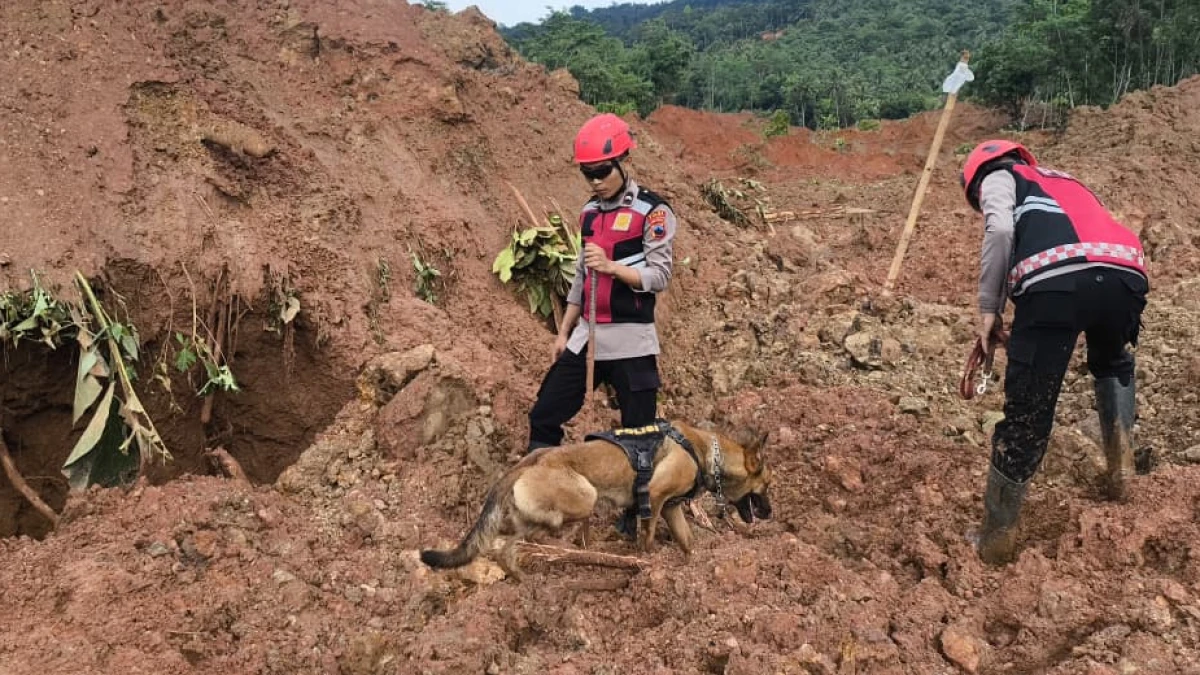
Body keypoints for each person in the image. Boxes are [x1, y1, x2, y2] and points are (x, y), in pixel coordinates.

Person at [960, 140, 1149, 565]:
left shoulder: (998, 176)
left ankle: (995, 540)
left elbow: (1000, 231)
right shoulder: (1065, 180)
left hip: (1056, 283)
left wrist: (989, 309)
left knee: (1029, 409)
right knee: (1114, 363)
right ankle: (1122, 477)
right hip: (1126, 275)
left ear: (975, 178)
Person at [526, 113, 677, 535]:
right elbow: (581, 279)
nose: (595, 181)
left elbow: (660, 276)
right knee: (545, 413)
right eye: (587, 173)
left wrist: (612, 267)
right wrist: (563, 332)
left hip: (632, 340)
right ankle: (543, 497)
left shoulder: (652, 211)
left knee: (639, 437)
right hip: (587, 338)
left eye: (602, 171)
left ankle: (636, 519)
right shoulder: (589, 215)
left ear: (622, 161)